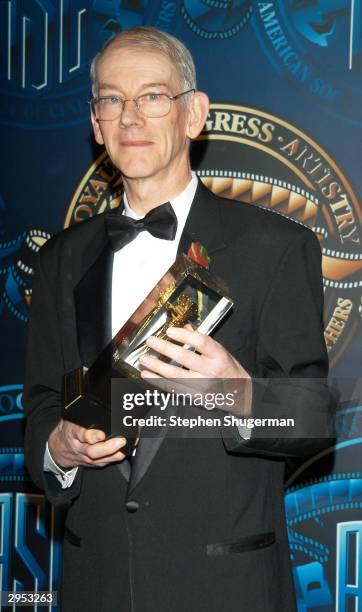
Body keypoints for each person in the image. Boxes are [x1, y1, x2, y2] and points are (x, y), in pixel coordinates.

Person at [24, 26, 333, 612]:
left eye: (152, 97)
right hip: (98, 586)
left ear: (194, 115)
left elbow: (314, 417)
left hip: (226, 588)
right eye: (111, 100)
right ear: (95, 124)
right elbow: (41, 401)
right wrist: (58, 448)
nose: (130, 117)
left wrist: (238, 395)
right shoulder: (60, 259)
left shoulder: (275, 246)